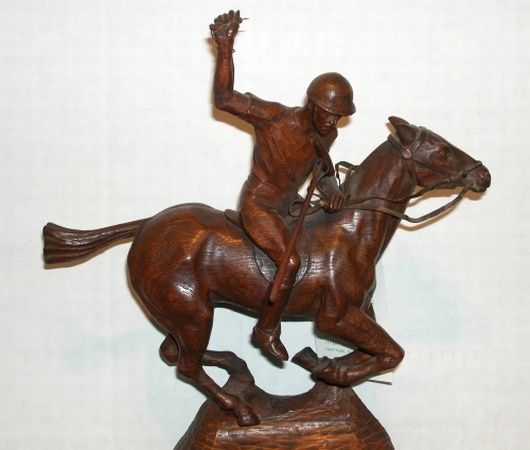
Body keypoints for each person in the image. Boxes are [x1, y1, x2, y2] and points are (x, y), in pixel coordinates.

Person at [210, 10, 356, 361]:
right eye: (328, 113)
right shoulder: (274, 118)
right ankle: (266, 329)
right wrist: (225, 49)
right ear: (312, 104)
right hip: (259, 206)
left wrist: (332, 189)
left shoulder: (327, 134)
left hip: (289, 210)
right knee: (290, 262)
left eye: (338, 116)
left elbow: (323, 169)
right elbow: (225, 99)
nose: (333, 122)